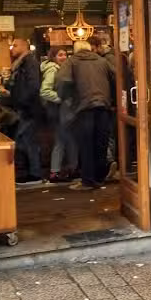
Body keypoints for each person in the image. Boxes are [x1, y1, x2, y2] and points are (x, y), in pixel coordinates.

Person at [57, 39, 116, 190]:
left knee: (86, 145)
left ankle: (88, 181)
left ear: (75, 50)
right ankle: (99, 178)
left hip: (83, 108)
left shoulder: (71, 62)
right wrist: (112, 100)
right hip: (103, 106)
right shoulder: (102, 61)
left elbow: (63, 82)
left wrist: (67, 98)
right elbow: (115, 78)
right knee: (101, 144)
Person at [8, 39, 42, 185]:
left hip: (28, 108)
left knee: (26, 139)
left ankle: (35, 174)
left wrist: (23, 101)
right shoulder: (22, 63)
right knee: (24, 139)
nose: (12, 48)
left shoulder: (30, 63)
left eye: (15, 45)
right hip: (24, 107)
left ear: (24, 46)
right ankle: (30, 172)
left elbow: (33, 86)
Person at [40, 47, 76, 183]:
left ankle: (62, 170)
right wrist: (61, 98)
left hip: (57, 111)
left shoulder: (57, 68)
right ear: (53, 56)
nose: (63, 57)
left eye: (65, 54)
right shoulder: (53, 69)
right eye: (60, 55)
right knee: (62, 141)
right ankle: (56, 171)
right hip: (57, 111)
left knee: (64, 140)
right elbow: (44, 91)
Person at [89, 35, 119, 181]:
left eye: (92, 49)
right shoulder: (108, 58)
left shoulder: (106, 59)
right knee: (108, 134)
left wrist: (113, 100)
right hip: (109, 101)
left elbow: (115, 80)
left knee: (107, 134)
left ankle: (109, 161)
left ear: (98, 47)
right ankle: (109, 162)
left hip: (109, 102)